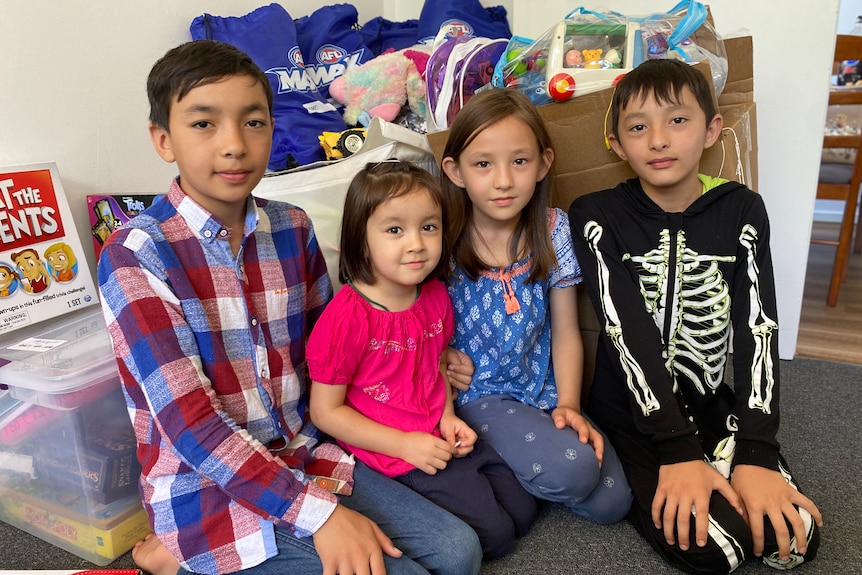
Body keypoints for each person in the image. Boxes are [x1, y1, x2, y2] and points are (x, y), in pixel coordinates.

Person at [97, 39, 482, 575]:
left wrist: (429, 361)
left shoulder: (292, 227)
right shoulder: (135, 256)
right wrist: (323, 518)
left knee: (460, 553)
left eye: (253, 122)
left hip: (303, 454)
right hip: (209, 488)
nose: (234, 144)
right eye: (204, 124)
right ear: (164, 139)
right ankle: (179, 556)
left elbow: (331, 358)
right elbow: (193, 428)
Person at [567, 59, 823, 574]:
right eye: (638, 127)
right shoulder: (596, 214)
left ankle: (723, 469)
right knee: (715, 552)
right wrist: (678, 452)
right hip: (631, 417)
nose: (658, 140)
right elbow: (624, 331)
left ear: (712, 130)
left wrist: (756, 451)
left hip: (708, 403)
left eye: (677, 120)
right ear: (616, 144)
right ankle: (672, 474)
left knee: (791, 540)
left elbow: (759, 328)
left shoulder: (742, 209)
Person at [307, 160, 537, 560]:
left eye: (428, 227)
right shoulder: (346, 318)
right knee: (497, 538)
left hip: (439, 432)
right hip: (394, 452)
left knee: (524, 510)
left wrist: (448, 416)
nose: (416, 243)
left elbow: (435, 368)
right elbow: (325, 412)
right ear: (361, 239)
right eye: (395, 230)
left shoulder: (433, 296)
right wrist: (404, 444)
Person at [438, 88, 633, 524]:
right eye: (483, 164)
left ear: (544, 163)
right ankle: (503, 458)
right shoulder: (442, 238)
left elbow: (565, 331)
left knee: (613, 502)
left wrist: (568, 404)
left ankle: (516, 464)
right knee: (574, 470)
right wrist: (441, 358)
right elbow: (415, 322)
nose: (503, 180)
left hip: (540, 390)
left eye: (519, 161)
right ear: (455, 171)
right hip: (478, 394)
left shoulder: (553, 230)